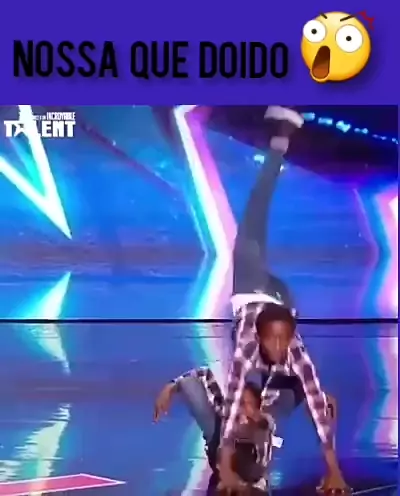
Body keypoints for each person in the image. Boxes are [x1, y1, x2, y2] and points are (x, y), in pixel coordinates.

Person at [219, 302, 349, 494]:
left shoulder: (297, 353)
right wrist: (225, 469)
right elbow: (231, 406)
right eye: (272, 340)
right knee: (248, 401)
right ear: (259, 338)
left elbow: (318, 411)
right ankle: (249, 457)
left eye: (284, 340)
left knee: (319, 404)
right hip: (247, 325)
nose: (278, 347)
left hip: (285, 365)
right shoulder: (246, 350)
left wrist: (334, 471)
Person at [154, 366, 274, 494]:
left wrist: (240, 485)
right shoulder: (227, 414)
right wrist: (171, 386)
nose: (241, 409)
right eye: (239, 403)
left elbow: (260, 470)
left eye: (248, 404)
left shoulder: (262, 428)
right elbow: (204, 374)